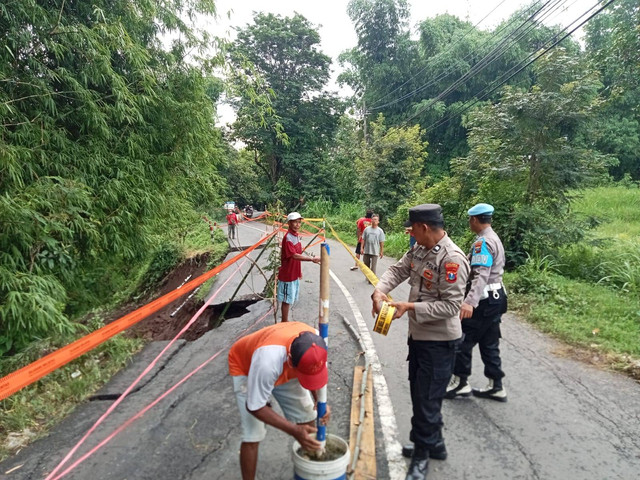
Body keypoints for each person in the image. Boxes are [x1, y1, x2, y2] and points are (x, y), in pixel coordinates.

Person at [371, 204, 469, 480]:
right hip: (420, 338)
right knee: (422, 393)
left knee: (426, 399)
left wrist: (409, 307)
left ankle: (422, 456)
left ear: (424, 228)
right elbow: (399, 269)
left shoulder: (452, 259)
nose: (409, 233)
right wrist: (379, 291)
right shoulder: (420, 248)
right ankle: (434, 444)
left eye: (412, 228)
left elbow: (451, 306)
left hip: (439, 343)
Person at [228, 322, 331, 480]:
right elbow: (254, 407)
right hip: (246, 366)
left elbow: (314, 371)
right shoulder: (267, 362)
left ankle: (309, 469)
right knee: (253, 434)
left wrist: (319, 402)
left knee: (308, 417)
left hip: (282, 366)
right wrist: (293, 430)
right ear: (290, 361)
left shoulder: (317, 342)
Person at [445, 203, 508, 402]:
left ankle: (460, 382)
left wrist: (469, 302)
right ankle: (496, 385)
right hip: (497, 298)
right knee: (489, 341)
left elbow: (481, 274)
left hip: (484, 300)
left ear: (474, 219)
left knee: (462, 338)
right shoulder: (494, 237)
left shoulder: (483, 243)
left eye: (469, 220)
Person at [277, 212, 321, 322]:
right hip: (287, 274)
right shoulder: (288, 238)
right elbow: (294, 256)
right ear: (289, 223)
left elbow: (298, 253)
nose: (297, 225)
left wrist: (298, 272)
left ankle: (285, 321)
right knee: (286, 300)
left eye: (299, 222)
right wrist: (311, 259)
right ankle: (284, 322)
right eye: (295, 222)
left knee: (290, 298)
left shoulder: (296, 236)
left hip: (294, 273)